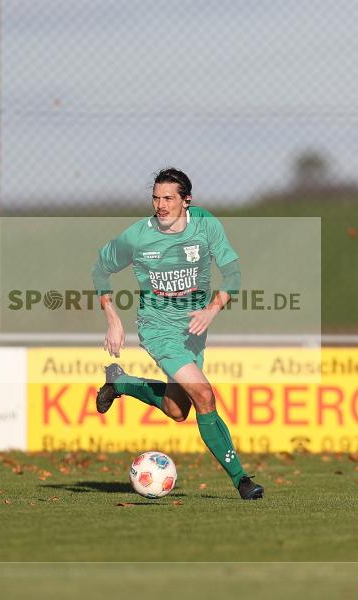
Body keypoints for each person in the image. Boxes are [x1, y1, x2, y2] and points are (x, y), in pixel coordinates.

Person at [91, 168, 264, 500]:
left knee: (176, 410)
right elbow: (100, 267)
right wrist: (112, 317)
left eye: (169, 198)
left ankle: (120, 382)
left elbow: (233, 273)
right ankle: (243, 481)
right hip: (158, 329)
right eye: (156, 198)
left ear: (187, 200)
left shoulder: (206, 226)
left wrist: (213, 309)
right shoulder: (138, 236)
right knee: (204, 396)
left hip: (194, 328)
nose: (161, 205)